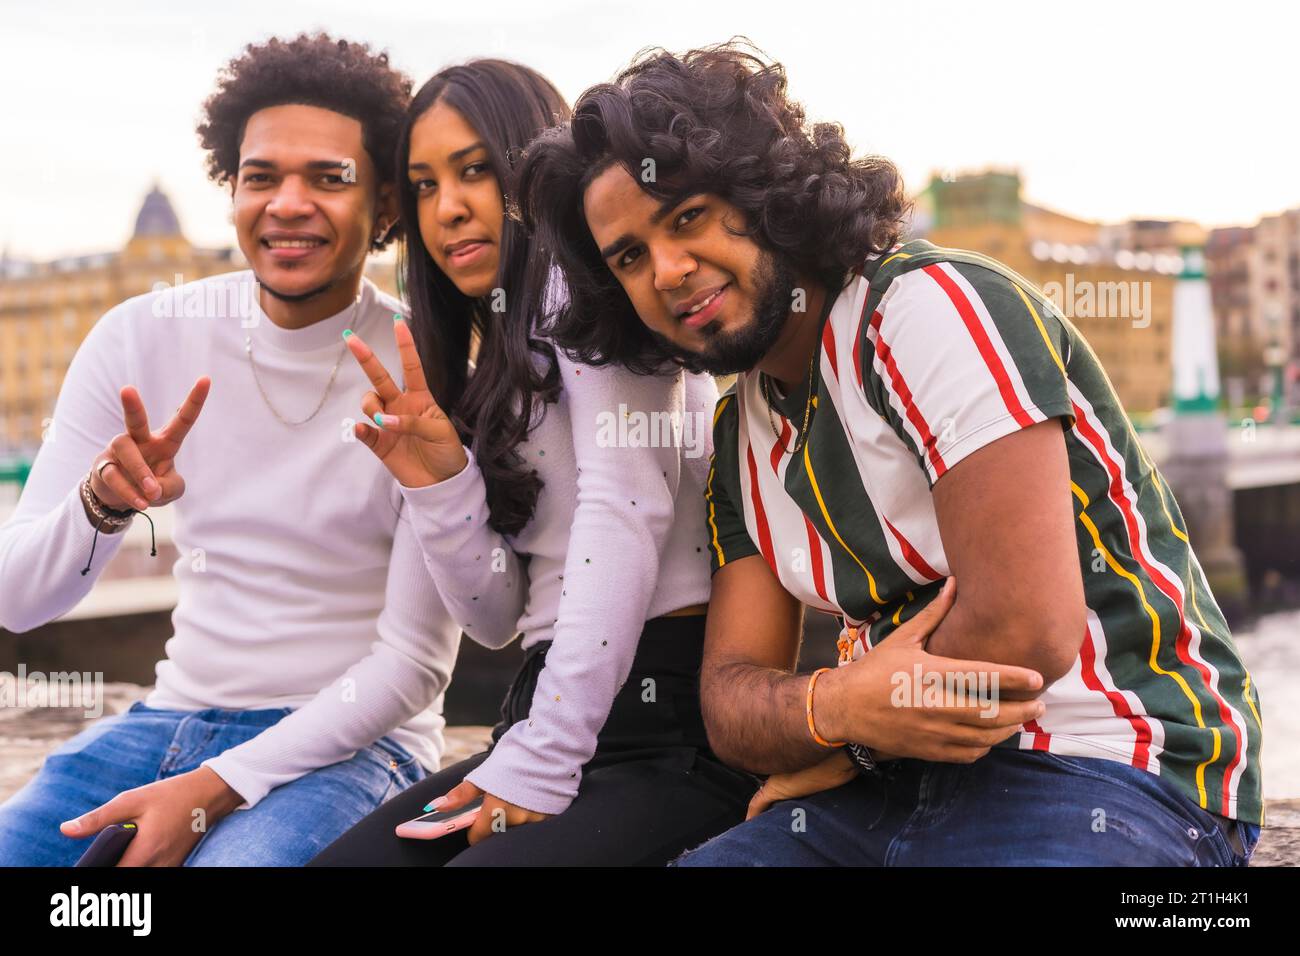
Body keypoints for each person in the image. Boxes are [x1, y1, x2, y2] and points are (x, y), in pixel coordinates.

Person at [515, 39, 1264, 866]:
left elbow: (1026, 631)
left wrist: (841, 736)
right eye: (629, 257)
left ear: (762, 194)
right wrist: (841, 711)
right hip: (883, 795)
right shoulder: (739, 432)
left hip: (1102, 767)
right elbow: (729, 702)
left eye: (686, 218)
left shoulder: (924, 309)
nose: (668, 270)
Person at [0, 33, 460, 867]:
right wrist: (100, 506)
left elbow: (412, 671)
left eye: (329, 178)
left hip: (356, 745)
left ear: (386, 205)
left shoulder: (424, 367)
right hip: (168, 718)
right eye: (262, 176)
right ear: (231, 189)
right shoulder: (139, 336)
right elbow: (17, 602)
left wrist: (215, 784)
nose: (288, 202)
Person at [308, 59, 763, 867]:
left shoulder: (591, 292)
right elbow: (493, 617)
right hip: (547, 707)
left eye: (476, 170)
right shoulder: (482, 360)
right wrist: (439, 487)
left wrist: (544, 756)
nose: (448, 208)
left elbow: (626, 510)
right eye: (422, 186)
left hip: (666, 732)